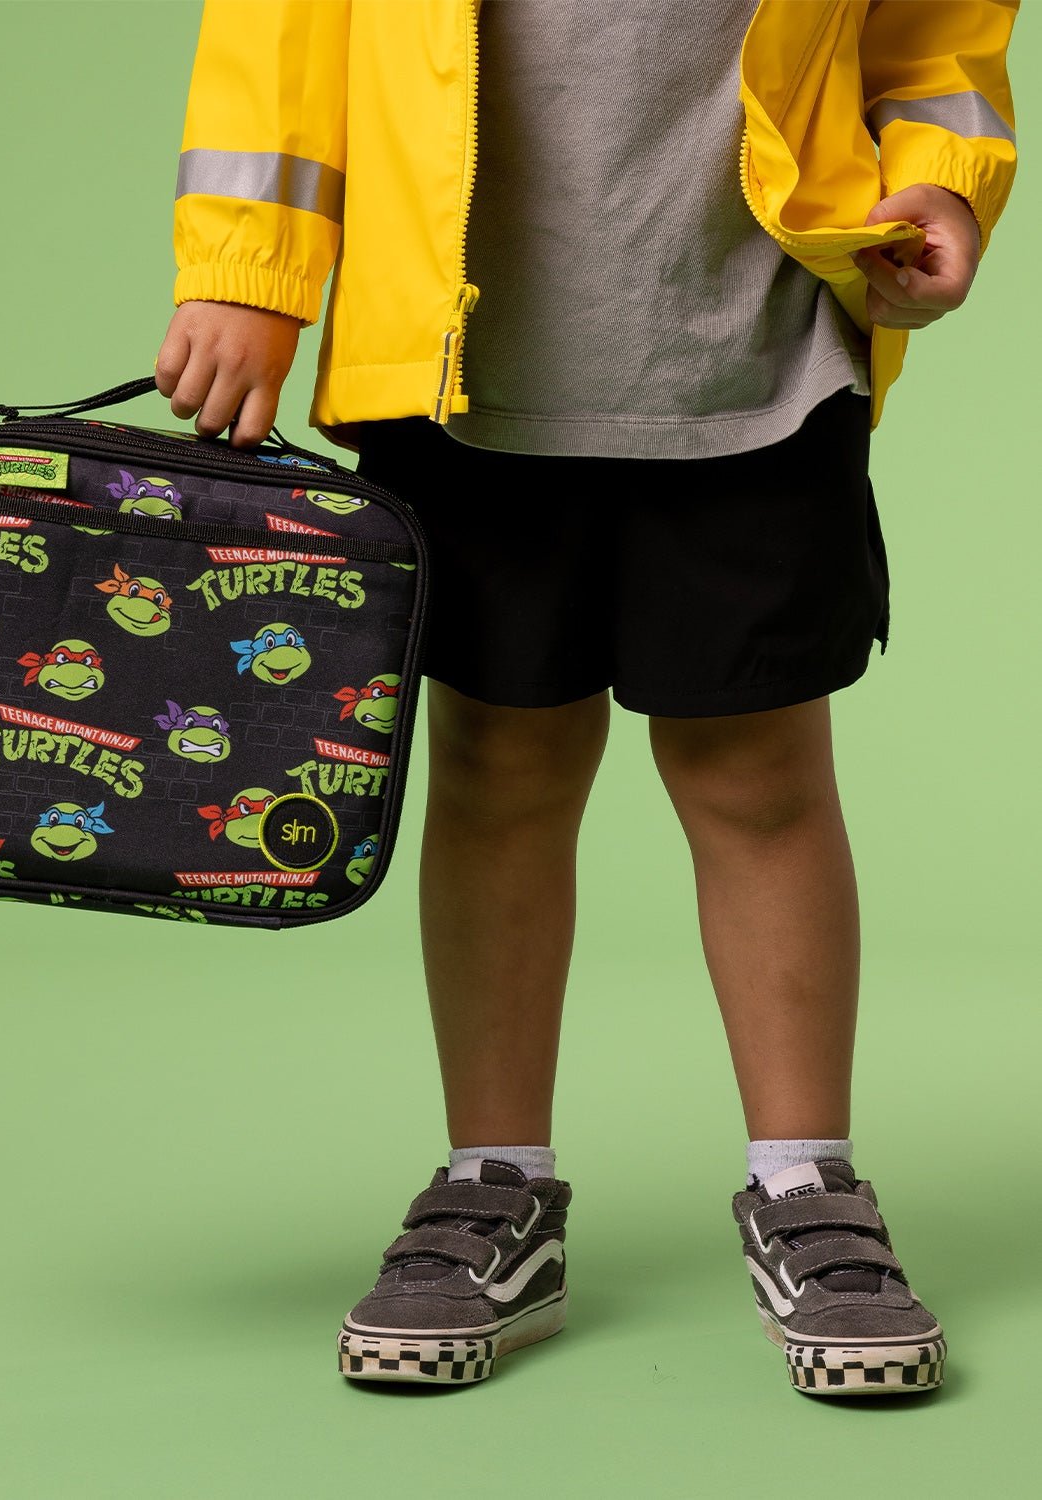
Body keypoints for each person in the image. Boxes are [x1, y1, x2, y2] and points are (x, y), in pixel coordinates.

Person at [156, 0, 1018, 1394]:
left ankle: (809, 1186)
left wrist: (943, 176)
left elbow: (940, 37)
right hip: (455, 359)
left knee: (760, 775)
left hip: (760, 349)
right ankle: (495, 1184)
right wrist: (248, 273)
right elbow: (284, 38)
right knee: (496, 766)